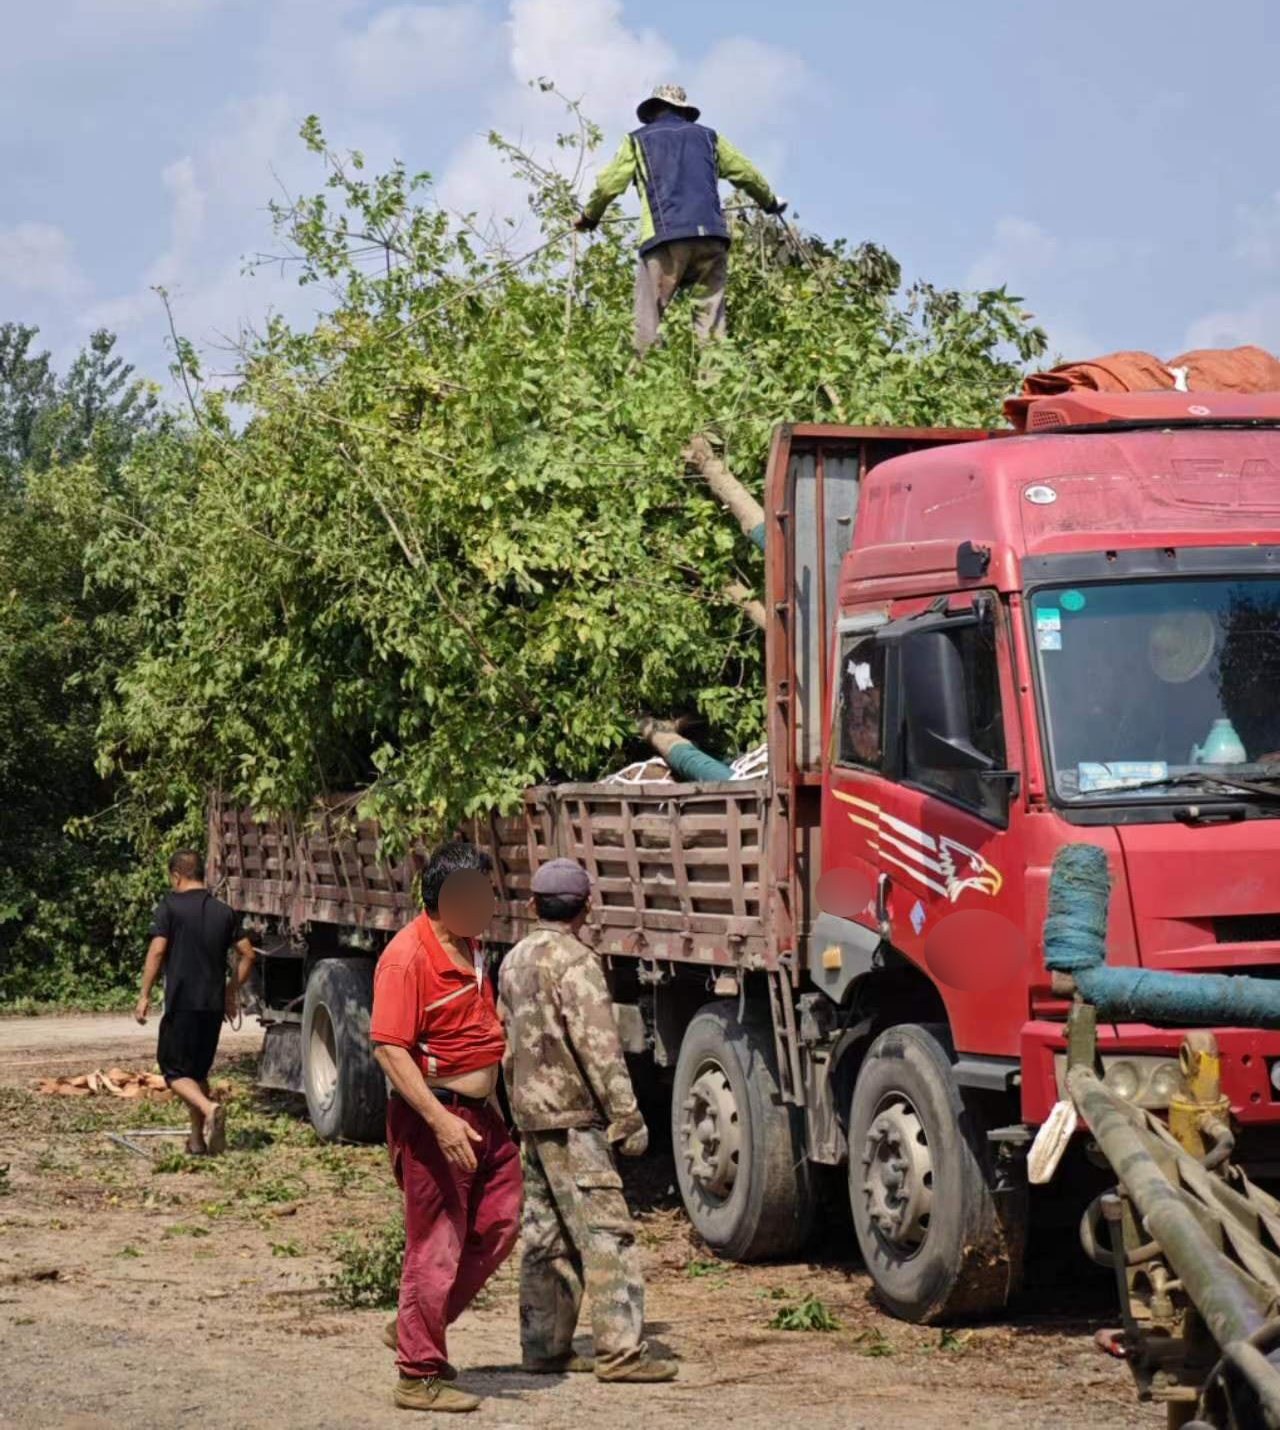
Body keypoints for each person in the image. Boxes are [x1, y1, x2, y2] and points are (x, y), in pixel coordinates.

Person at [497, 858, 678, 1384]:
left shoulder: (513, 960)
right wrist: (627, 1117)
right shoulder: (578, 963)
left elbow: (504, 1038)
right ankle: (620, 1353)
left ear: (533, 905)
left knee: (545, 1236)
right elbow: (600, 1048)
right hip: (576, 1121)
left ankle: (544, 1347)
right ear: (587, 908)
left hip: (532, 1118)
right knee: (606, 1234)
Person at [370, 840, 521, 1415]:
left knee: (500, 1221)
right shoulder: (407, 958)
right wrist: (439, 1122)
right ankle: (417, 1374)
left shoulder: (470, 946)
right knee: (436, 1243)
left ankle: (413, 1328)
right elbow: (390, 1049)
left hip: (481, 1117)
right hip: (436, 1119)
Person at [574, 82, 786, 356]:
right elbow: (746, 173)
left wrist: (590, 217)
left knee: (646, 321)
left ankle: (641, 376)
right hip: (711, 237)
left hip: (666, 238)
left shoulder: (637, 140)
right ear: (685, 112)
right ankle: (714, 379)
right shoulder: (709, 137)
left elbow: (607, 185)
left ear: (652, 111)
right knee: (711, 327)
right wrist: (769, 203)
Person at [134, 849, 256, 1156]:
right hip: (212, 1006)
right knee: (198, 1074)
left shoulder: (169, 906)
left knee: (173, 1072)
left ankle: (208, 1107)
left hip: (182, 1003)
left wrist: (144, 994)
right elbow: (248, 955)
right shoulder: (224, 912)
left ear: (176, 876)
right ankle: (197, 1140)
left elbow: (157, 951)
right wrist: (230, 991)